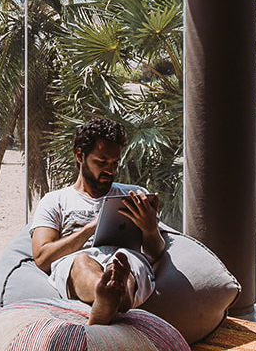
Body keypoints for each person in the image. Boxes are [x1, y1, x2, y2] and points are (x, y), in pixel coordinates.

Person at [30, 117, 166, 325]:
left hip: (124, 257)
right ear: (80, 155)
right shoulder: (55, 201)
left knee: (123, 262)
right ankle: (108, 294)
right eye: (101, 162)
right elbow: (42, 258)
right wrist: (89, 229)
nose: (110, 171)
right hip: (78, 260)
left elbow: (155, 254)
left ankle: (114, 294)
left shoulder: (135, 196)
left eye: (114, 163)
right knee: (82, 261)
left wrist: (149, 229)